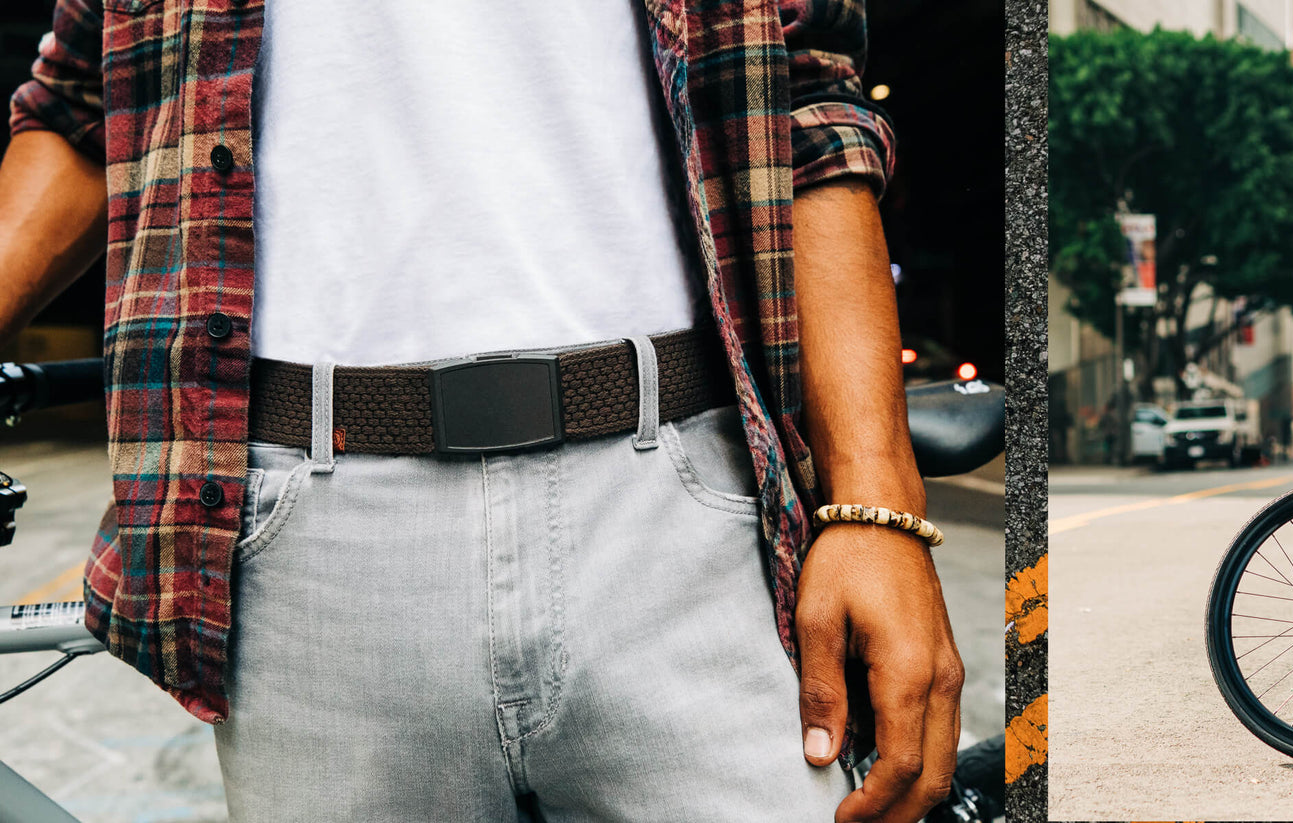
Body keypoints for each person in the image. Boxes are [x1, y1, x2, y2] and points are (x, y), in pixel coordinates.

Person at [0, 2, 963, 820]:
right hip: (313, 557)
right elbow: (84, 111)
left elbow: (804, 101)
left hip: (684, 519)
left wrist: (875, 501)